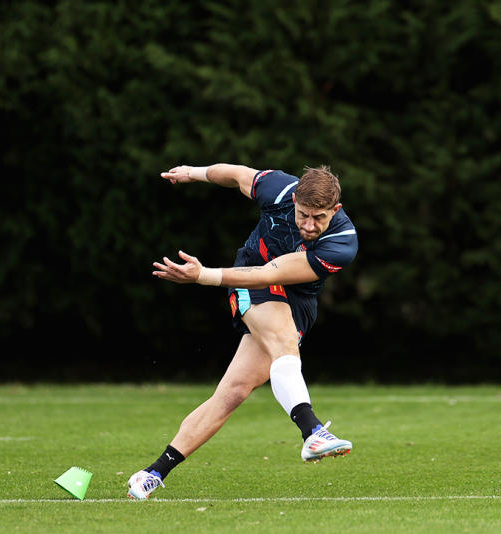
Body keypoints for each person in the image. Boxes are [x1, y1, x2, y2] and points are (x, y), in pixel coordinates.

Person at [127, 163, 358, 500]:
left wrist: (203, 275)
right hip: (251, 276)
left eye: (318, 218)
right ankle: (313, 432)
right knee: (283, 342)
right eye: (304, 214)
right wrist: (194, 172)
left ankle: (151, 474)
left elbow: (275, 273)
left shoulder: (342, 241)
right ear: (294, 199)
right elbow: (236, 175)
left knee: (232, 393)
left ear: (334, 211)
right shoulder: (278, 189)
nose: (309, 225)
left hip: (293, 296)